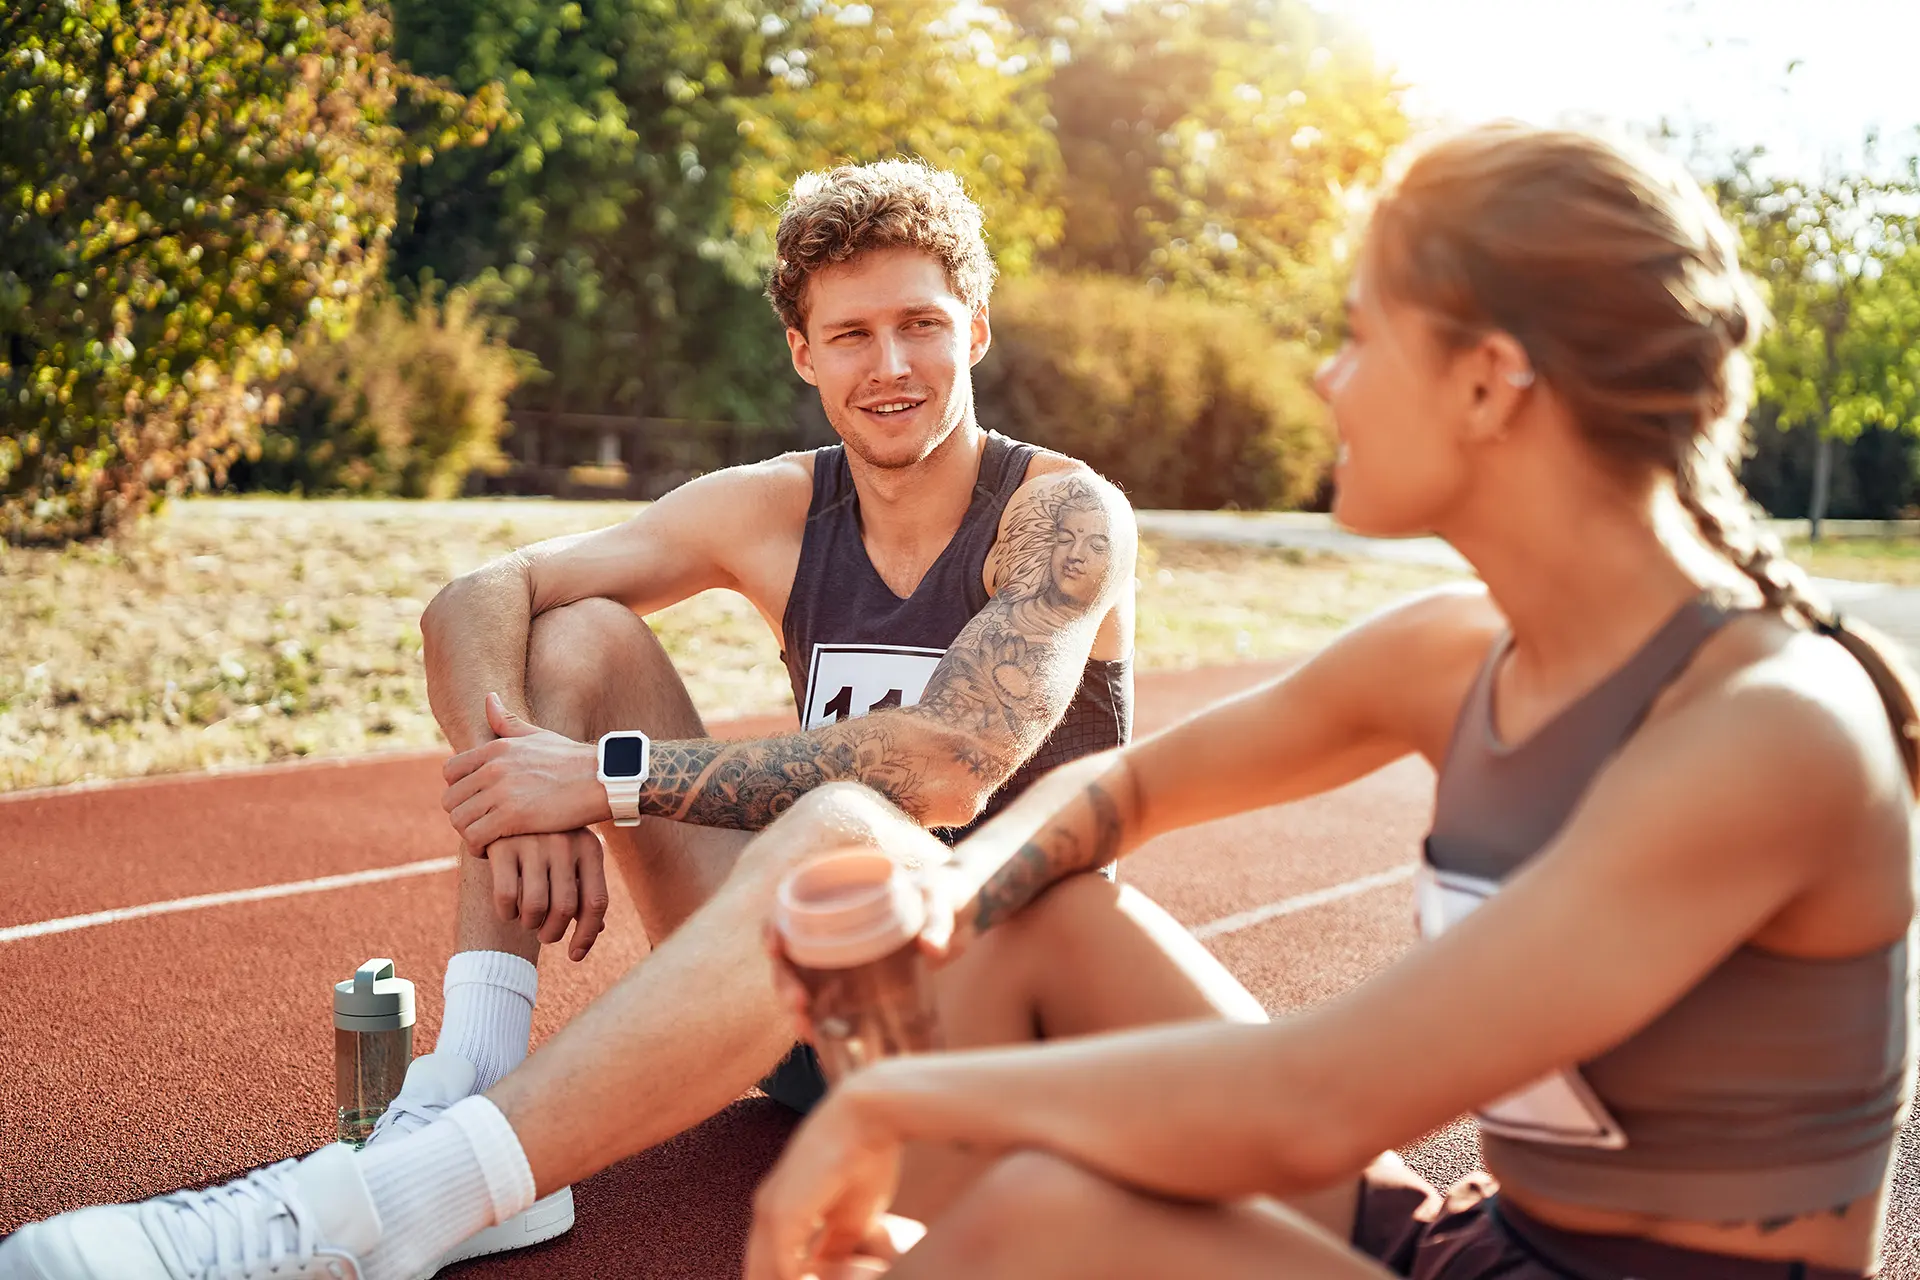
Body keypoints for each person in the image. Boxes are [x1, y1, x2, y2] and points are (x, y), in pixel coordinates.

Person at [741, 122, 1920, 1280]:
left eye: (1359, 336)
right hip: (1488, 1242)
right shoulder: (1456, 651)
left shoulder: (1768, 729)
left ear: (1484, 380)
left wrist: (888, 1101)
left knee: (1049, 1217)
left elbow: (1313, 1101)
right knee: (1036, 916)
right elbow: (1138, 782)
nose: (1324, 374)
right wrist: (947, 893)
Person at [0, 159, 1179, 1280]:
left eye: (921, 323)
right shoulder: (774, 505)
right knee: (575, 635)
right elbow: (476, 595)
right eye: (853, 333)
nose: (893, 363)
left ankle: (385, 1209)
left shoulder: (1065, 515)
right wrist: (520, 792)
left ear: (974, 329)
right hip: (807, 1027)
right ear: (802, 354)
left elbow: (950, 762)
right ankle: (467, 1078)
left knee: (848, 828)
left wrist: (607, 781)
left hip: (995, 1039)